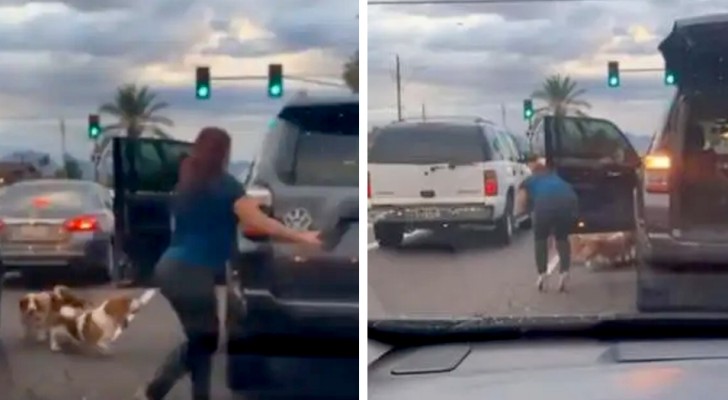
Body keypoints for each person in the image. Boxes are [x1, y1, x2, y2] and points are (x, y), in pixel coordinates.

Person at [136, 127, 322, 400]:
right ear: (223, 153)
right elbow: (256, 221)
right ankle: (154, 391)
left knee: (200, 340)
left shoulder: (185, 184)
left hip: (168, 269)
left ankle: (195, 396)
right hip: (192, 273)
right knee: (205, 340)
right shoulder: (226, 185)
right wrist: (299, 235)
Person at [516, 155, 578, 292]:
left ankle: (542, 274)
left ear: (534, 170)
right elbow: (572, 196)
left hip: (544, 207)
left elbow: (522, 201)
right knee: (562, 238)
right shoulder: (557, 179)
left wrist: (521, 215)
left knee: (540, 239)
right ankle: (564, 272)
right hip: (568, 203)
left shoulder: (530, 181)